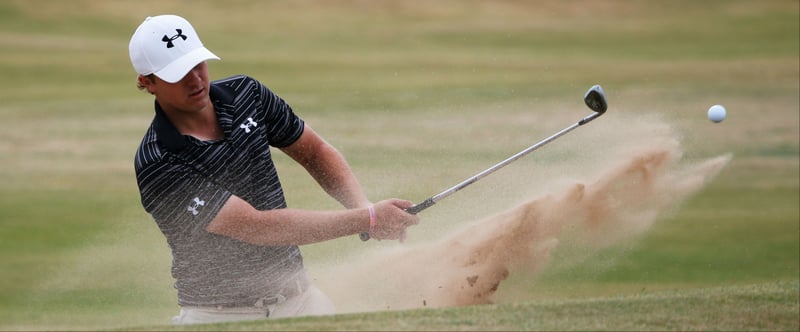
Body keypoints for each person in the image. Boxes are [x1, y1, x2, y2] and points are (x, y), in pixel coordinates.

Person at [128, 14, 420, 325]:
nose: (195, 79)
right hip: (217, 317)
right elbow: (258, 227)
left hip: (301, 302)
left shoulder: (246, 94)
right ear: (148, 83)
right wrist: (368, 219)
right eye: (178, 74)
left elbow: (315, 152)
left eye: (197, 64)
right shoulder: (157, 161)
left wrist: (363, 208)